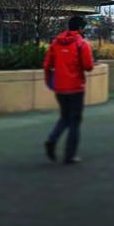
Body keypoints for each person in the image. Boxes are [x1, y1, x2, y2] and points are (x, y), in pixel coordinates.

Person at [43, 15, 95, 164]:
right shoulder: (81, 44)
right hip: (76, 88)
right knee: (74, 121)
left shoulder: (55, 43)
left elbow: (47, 65)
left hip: (60, 88)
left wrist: (50, 83)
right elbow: (88, 66)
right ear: (80, 28)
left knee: (65, 117)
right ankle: (70, 155)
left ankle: (52, 139)